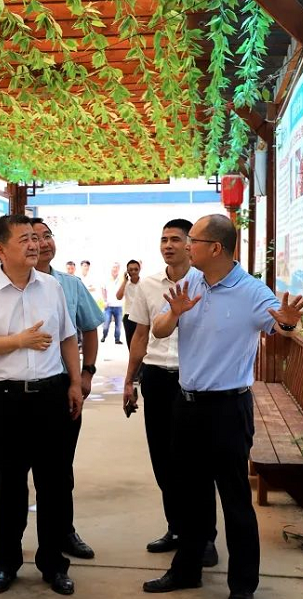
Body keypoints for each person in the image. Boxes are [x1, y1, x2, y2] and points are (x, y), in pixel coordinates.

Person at [146, 214, 303, 599]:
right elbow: (160, 330)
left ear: (215, 248)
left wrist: (288, 324)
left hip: (227, 409)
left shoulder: (252, 291)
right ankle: (186, 570)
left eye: (193, 241)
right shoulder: (191, 282)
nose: (186, 247)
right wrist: (174, 313)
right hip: (187, 404)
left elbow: (280, 325)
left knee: (235, 500)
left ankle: (242, 585)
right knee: (189, 496)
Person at [0, 214, 83, 596]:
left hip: (50, 395)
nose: (35, 245)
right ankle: (5, 563)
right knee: (8, 487)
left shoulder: (51, 286)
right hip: (4, 401)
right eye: (25, 239)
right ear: (1, 249)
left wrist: (75, 383)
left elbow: (67, 337)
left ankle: (54, 565)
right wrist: (19, 341)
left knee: (54, 485)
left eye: (36, 237)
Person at [123, 219, 218, 563]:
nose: (168, 245)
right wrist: (130, 380)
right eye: (163, 239)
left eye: (175, 239)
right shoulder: (148, 286)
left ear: (191, 245)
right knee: (163, 458)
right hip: (157, 378)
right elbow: (140, 336)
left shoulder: (207, 284)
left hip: (193, 381)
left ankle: (205, 538)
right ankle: (177, 528)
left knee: (197, 463)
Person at [32, 218, 104, 560]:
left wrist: (86, 373)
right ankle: (7, 543)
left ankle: (64, 533)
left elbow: (88, 329)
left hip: (62, 385)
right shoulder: (5, 287)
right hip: (19, 389)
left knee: (60, 468)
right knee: (13, 474)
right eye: (34, 237)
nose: (42, 243)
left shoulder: (71, 284)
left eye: (47, 236)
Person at [117, 259, 141, 348]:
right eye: (131, 270)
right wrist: (124, 281)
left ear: (139, 270)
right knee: (130, 344)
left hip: (141, 317)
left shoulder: (144, 283)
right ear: (127, 271)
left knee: (142, 343)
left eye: (136, 269)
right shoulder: (125, 284)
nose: (133, 272)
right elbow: (118, 297)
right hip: (129, 317)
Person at [101, 262, 124, 344]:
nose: (115, 269)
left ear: (119, 269)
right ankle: (104, 335)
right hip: (108, 306)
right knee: (106, 323)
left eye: (117, 267)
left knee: (118, 325)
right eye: (114, 267)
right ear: (111, 268)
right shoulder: (106, 278)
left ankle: (117, 339)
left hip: (118, 305)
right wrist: (105, 300)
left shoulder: (122, 279)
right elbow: (103, 289)